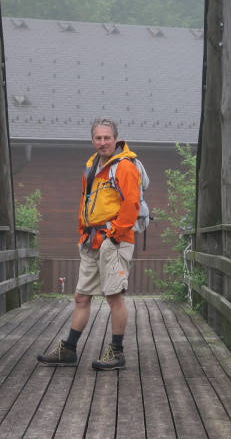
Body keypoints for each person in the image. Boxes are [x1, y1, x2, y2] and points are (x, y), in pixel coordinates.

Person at [37, 117, 141, 370]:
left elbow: (132, 204)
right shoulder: (92, 165)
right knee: (81, 297)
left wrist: (114, 235)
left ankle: (116, 352)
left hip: (113, 241)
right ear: (92, 139)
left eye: (107, 138)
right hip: (91, 240)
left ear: (115, 139)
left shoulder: (125, 166)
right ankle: (69, 350)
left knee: (114, 297)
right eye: (98, 138)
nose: (102, 142)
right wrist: (82, 230)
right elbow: (85, 201)